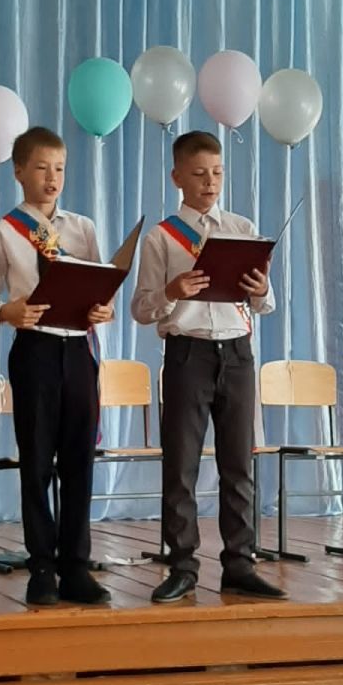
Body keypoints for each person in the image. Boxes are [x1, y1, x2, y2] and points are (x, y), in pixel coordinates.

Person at [131, 130, 287, 604]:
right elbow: (141, 308)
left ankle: (240, 564)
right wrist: (172, 292)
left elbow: (265, 304)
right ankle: (182, 566)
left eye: (217, 173)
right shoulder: (161, 237)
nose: (210, 182)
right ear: (177, 177)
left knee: (238, 465)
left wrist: (260, 289)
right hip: (188, 354)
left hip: (237, 354)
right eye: (199, 174)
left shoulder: (241, 227)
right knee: (181, 466)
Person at [0, 125, 113, 607]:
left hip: (78, 351)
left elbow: (100, 286)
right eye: (41, 168)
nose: (52, 179)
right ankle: (42, 569)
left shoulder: (82, 229)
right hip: (34, 352)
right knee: (36, 463)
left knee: (79, 462)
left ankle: (76, 567)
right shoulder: (3, 231)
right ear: (18, 171)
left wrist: (104, 309)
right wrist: (6, 311)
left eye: (60, 169)